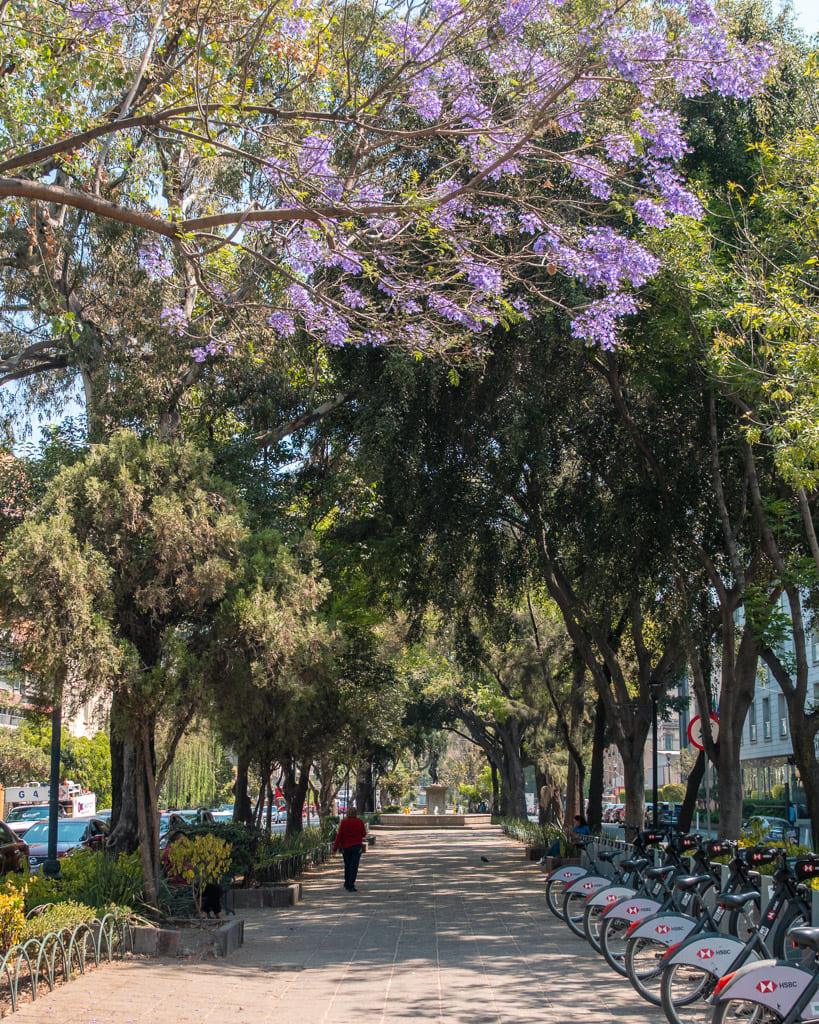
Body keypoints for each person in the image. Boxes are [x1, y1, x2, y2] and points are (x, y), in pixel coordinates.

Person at [333, 807, 367, 892]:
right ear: (356, 813)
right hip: (356, 847)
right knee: (354, 866)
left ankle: (347, 882)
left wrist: (335, 848)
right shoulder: (359, 822)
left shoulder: (344, 822)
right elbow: (364, 834)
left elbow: (339, 835)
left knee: (347, 865)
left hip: (346, 847)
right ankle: (351, 884)